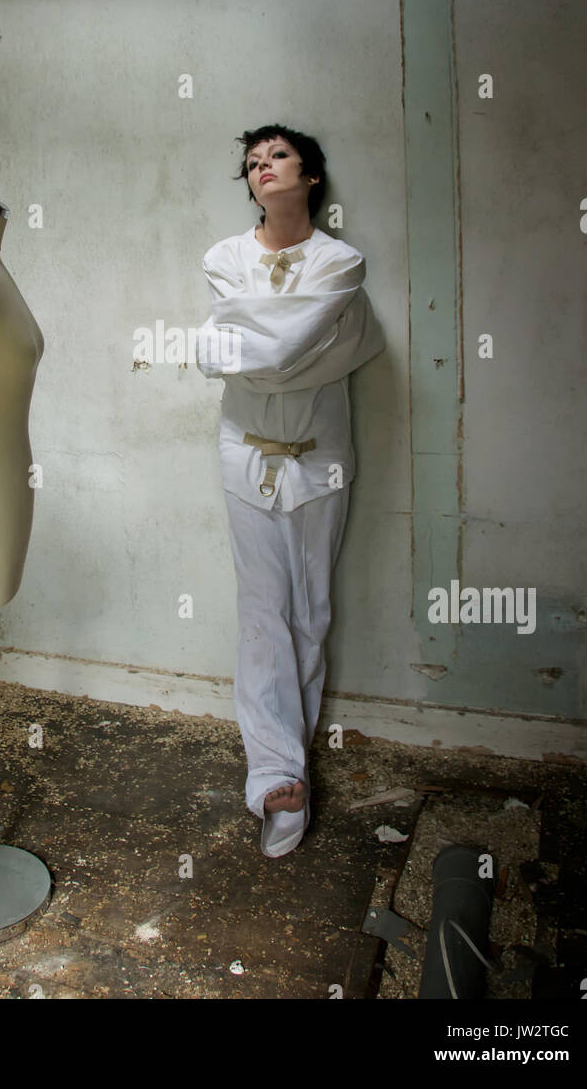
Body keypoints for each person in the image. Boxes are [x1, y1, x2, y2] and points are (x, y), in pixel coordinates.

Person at [196, 124, 384, 857]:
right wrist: (295, 346)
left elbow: (253, 353)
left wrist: (249, 346)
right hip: (243, 456)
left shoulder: (342, 264)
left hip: (322, 461)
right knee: (260, 614)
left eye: (276, 155)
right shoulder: (223, 258)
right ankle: (276, 775)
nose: (261, 167)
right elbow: (246, 351)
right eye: (250, 161)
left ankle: (290, 762)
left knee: (310, 612)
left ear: (310, 175)